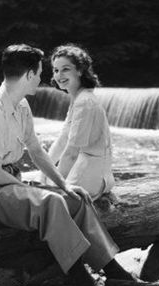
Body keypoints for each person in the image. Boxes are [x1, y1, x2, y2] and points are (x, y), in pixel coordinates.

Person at [0, 44, 157, 286]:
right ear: (28, 74)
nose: (42, 78)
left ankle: (115, 275)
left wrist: (64, 184)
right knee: (51, 203)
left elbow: (36, 151)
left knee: (76, 198)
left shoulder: (21, 105)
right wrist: (35, 191)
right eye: (39, 73)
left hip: (3, 180)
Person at [42, 44, 114, 201]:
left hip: (93, 175)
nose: (59, 75)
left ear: (80, 70)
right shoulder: (77, 99)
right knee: (35, 180)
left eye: (65, 69)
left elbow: (71, 153)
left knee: (49, 198)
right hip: (85, 167)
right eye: (55, 70)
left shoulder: (85, 102)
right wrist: (44, 169)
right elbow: (62, 141)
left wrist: (56, 183)